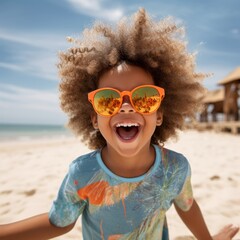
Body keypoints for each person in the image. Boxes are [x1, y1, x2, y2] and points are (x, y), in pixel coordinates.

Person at [0, 8, 239, 240]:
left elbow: (186, 205)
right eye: (108, 100)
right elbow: (58, 222)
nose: (126, 106)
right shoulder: (81, 174)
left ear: (159, 114)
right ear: (94, 118)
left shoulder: (175, 167)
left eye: (144, 98)